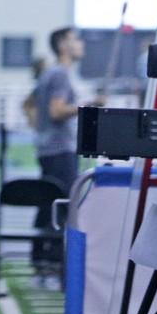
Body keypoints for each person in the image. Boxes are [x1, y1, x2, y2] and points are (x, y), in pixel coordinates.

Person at [30, 28, 103, 288]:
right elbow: (57, 110)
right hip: (59, 148)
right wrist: (89, 106)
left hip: (49, 148)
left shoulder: (52, 72)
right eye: (76, 39)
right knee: (63, 207)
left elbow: (30, 105)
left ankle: (42, 261)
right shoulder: (59, 73)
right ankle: (58, 267)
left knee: (50, 203)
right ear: (63, 45)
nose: (81, 44)